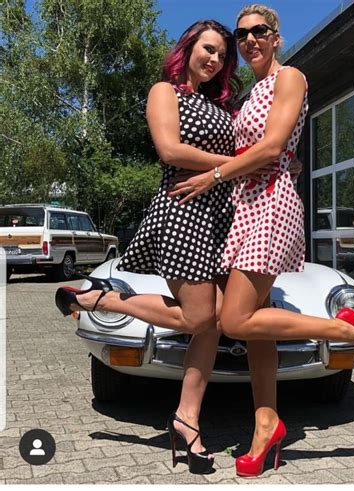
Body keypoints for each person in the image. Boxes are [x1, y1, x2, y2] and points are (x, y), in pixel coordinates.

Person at [169, 4, 354, 478]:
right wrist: (252, 163)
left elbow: (272, 146)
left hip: (269, 205)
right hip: (244, 205)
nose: (248, 40)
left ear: (275, 36)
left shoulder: (291, 77)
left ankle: (351, 329)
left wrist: (215, 175)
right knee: (255, 329)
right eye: (241, 34)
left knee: (235, 317)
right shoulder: (251, 93)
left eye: (258, 32)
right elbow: (261, 149)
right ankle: (265, 424)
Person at [56, 19, 242, 475]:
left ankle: (187, 418)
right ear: (189, 48)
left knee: (212, 326)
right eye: (208, 49)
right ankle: (104, 298)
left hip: (220, 218)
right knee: (201, 316)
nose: (214, 59)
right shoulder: (167, 92)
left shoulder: (220, 105)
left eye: (221, 55)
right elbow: (170, 151)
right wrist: (239, 163)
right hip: (183, 214)